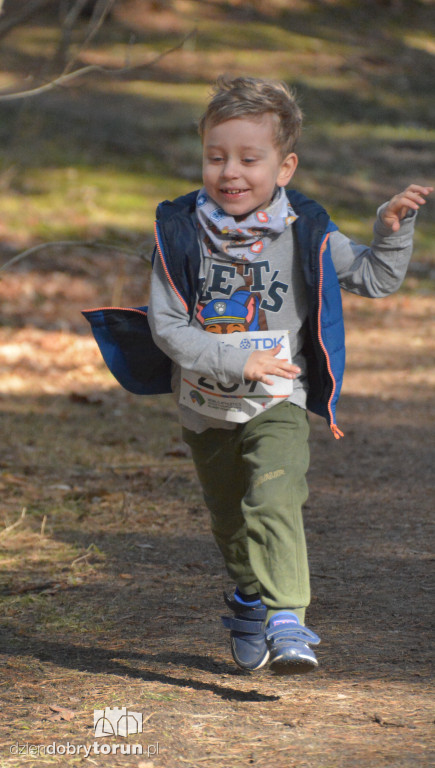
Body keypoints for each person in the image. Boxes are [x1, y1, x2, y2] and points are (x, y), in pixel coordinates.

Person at [143, 76, 432, 674]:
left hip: (278, 400)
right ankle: (250, 599)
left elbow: (376, 279)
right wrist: (233, 358)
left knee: (274, 496)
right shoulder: (178, 232)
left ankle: (287, 619)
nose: (231, 172)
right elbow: (168, 328)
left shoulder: (308, 230)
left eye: (250, 159)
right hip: (205, 406)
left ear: (285, 166)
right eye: (216, 157)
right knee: (230, 522)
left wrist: (391, 231)